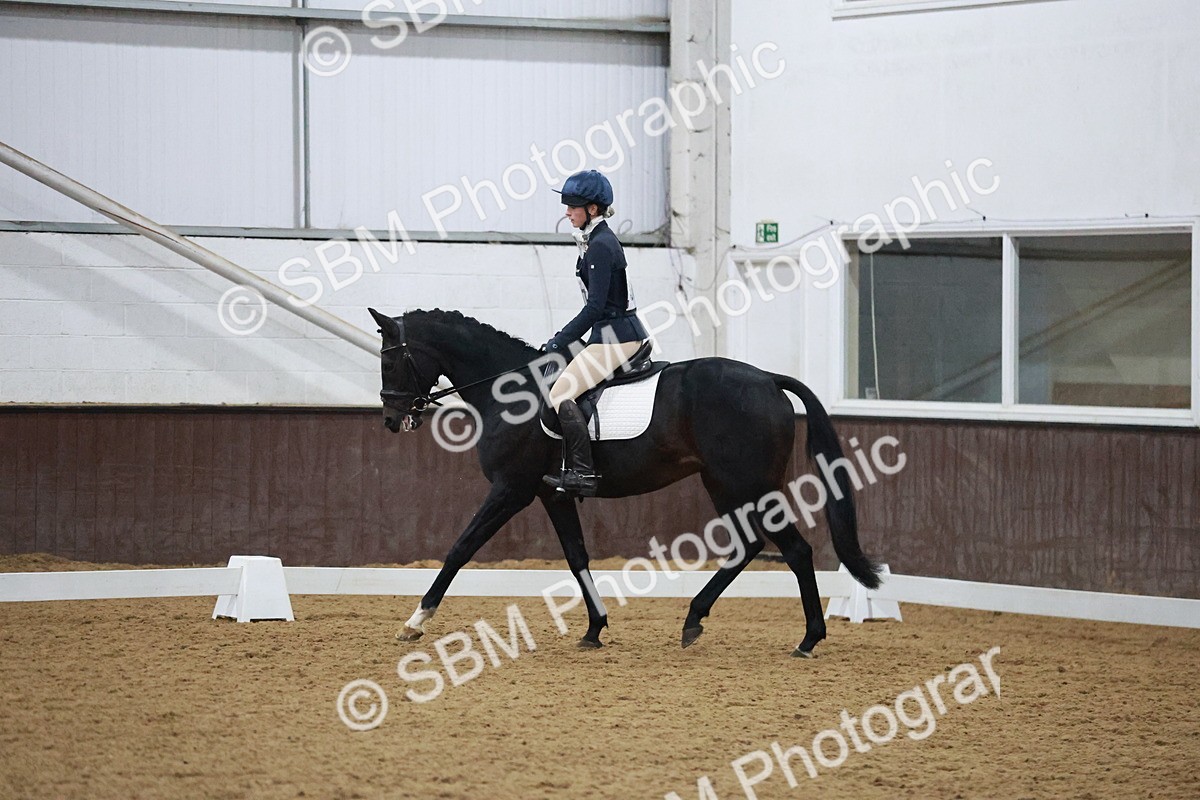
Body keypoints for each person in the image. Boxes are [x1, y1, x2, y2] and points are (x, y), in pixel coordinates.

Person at [541, 170, 649, 497]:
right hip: (608, 333)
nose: (566, 212)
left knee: (560, 394)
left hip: (617, 335)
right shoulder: (594, 241)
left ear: (592, 209)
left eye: (572, 206)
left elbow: (595, 308)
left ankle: (583, 474)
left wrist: (561, 339)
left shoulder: (601, 245)